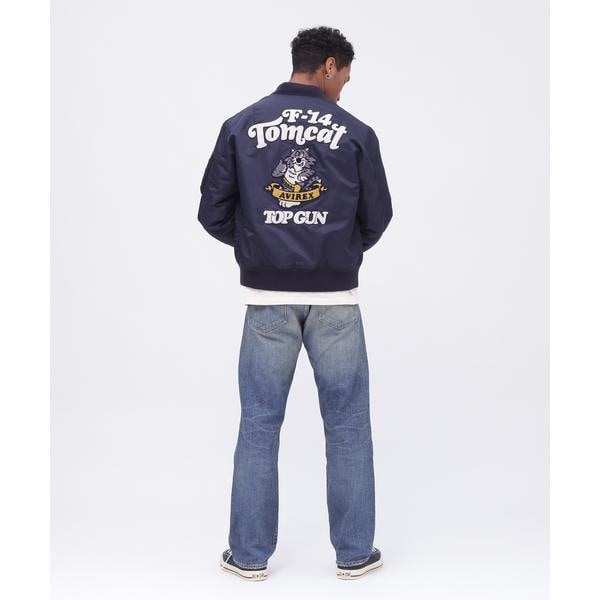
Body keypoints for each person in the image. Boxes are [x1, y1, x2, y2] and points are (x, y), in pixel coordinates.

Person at [198, 25, 393, 581]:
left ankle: (248, 557)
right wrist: (335, 252)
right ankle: (355, 555)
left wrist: (262, 246)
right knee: (348, 425)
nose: (344, 88)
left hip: (267, 299)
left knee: (259, 425)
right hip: (336, 301)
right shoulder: (356, 133)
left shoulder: (241, 125)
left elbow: (212, 211)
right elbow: (377, 217)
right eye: (345, 77)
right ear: (329, 65)